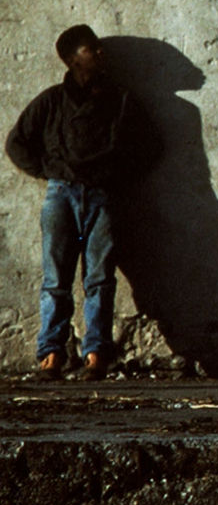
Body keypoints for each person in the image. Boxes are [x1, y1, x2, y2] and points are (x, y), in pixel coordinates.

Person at [7, 25, 158, 381]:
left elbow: (151, 146)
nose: (101, 53)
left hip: (103, 197)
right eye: (93, 49)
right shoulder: (51, 102)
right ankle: (52, 355)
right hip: (60, 195)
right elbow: (17, 143)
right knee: (55, 280)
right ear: (73, 59)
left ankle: (95, 355)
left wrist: (115, 176)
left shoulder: (120, 100)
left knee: (100, 279)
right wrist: (49, 171)